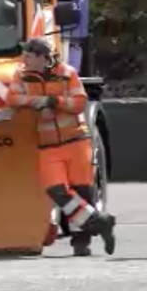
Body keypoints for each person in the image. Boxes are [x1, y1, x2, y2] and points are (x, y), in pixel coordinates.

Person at [7, 37, 116, 256]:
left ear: (41, 57)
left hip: (76, 141)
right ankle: (99, 222)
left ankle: (81, 243)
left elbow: (79, 103)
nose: (24, 60)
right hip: (48, 145)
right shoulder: (21, 75)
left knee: (80, 191)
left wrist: (53, 101)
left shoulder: (67, 73)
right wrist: (34, 102)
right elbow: (12, 98)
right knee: (56, 190)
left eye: (28, 56)